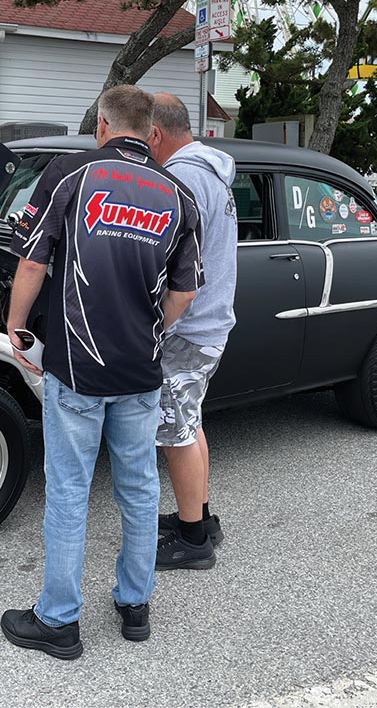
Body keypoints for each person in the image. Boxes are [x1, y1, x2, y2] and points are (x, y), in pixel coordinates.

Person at [0, 85, 203, 660]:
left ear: (103, 127)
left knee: (68, 491)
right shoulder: (176, 193)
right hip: (140, 371)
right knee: (138, 488)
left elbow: (33, 258)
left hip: (77, 370)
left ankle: (59, 621)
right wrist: (151, 331)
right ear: (150, 131)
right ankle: (135, 606)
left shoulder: (71, 174)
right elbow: (186, 289)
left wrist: (15, 326)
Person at [147, 93, 238, 571]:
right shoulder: (211, 172)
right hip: (210, 322)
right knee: (190, 421)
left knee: (174, 432)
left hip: (187, 326)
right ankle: (200, 516)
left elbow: (167, 261)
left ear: (156, 134)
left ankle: (192, 542)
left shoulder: (180, 177)